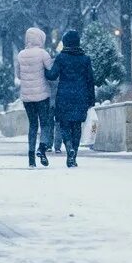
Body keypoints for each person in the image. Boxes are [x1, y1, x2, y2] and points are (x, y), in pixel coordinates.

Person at [45, 30, 95, 168]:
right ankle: (73, 156)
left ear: (65, 42)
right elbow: (90, 80)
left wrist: (43, 69)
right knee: (77, 126)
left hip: (64, 96)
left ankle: (68, 147)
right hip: (81, 96)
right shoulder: (85, 59)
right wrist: (91, 100)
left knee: (64, 125)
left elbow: (52, 75)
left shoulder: (61, 58)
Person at [16, 27, 54, 168]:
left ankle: (31, 157)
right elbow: (51, 72)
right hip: (42, 95)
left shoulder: (20, 55)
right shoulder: (43, 54)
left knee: (33, 125)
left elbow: (19, 75)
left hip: (27, 97)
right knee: (45, 123)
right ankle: (42, 149)